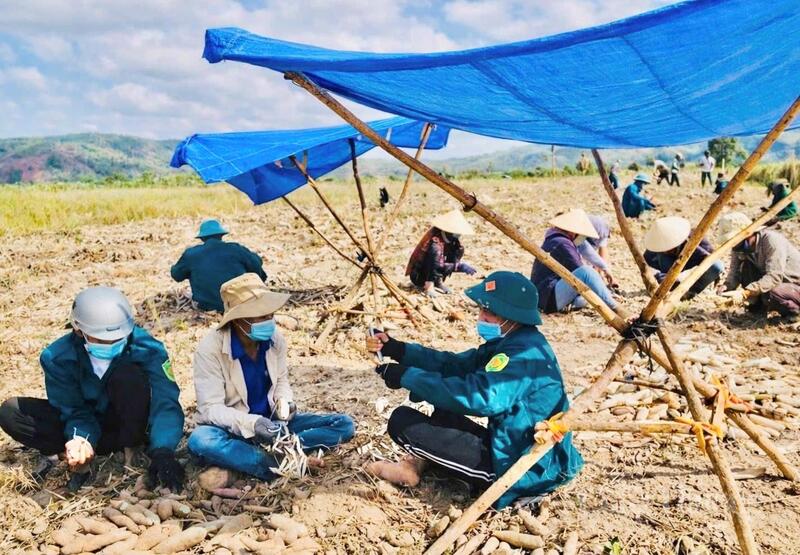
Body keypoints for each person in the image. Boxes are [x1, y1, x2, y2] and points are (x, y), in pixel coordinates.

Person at [364, 271, 583, 509]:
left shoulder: (523, 355)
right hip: (512, 442)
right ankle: (428, 461)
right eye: (481, 310)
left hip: (522, 469)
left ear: (511, 317)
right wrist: (399, 350)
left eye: (489, 312)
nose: (481, 317)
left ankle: (456, 471)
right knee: (442, 401)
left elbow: (480, 398)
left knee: (401, 422)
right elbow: (454, 366)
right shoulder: (512, 342)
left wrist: (408, 377)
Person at [0, 287, 184, 491]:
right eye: (100, 340)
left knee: (127, 376)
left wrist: (163, 449)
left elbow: (165, 399)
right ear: (78, 330)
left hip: (131, 424)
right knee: (12, 412)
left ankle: (132, 446)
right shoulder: (56, 358)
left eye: (117, 339)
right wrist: (81, 438)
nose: (111, 344)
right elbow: (73, 409)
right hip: (90, 422)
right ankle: (82, 452)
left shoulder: (148, 348)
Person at [187, 273, 355, 481]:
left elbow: (281, 380)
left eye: (270, 315)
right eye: (262, 316)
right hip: (234, 428)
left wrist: (285, 402)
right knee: (200, 441)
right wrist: (253, 424)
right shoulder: (210, 349)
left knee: (343, 424)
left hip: (274, 426)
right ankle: (279, 463)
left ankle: (279, 451)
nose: (270, 321)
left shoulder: (274, 340)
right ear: (239, 319)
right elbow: (211, 408)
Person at [530, 209, 620, 314]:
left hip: (543, 296)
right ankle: (615, 308)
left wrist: (605, 269)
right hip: (548, 298)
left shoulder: (557, 239)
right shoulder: (563, 244)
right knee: (586, 272)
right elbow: (582, 273)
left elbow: (586, 250)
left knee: (586, 296)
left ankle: (598, 299)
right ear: (572, 231)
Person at [171, 219, 267, 313]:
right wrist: (260, 279)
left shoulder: (191, 254)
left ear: (202, 238)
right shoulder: (236, 249)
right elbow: (257, 263)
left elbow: (176, 275)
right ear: (221, 235)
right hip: (237, 302)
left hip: (206, 306)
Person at [717, 212, 800, 318]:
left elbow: (774, 277)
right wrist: (726, 287)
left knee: (772, 293)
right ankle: (757, 308)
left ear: (747, 234)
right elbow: (735, 272)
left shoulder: (771, 241)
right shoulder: (739, 248)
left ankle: (795, 313)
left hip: (794, 285)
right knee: (746, 268)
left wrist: (745, 293)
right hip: (779, 284)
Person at [643, 216, 723, 300]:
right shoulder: (655, 251)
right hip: (671, 274)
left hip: (693, 270)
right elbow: (649, 269)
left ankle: (691, 292)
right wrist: (660, 278)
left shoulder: (694, 239)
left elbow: (710, 260)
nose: (665, 250)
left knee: (716, 266)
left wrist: (683, 276)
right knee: (663, 261)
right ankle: (671, 289)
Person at [406, 210, 477, 297]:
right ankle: (429, 285)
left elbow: (450, 259)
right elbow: (438, 265)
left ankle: (438, 282)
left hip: (435, 272)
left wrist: (456, 261)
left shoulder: (452, 242)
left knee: (458, 250)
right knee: (435, 256)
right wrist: (459, 267)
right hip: (419, 275)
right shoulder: (435, 242)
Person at [577, 214, 616, 286]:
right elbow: (586, 251)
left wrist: (603, 270)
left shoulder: (601, 228)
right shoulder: (578, 238)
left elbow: (602, 249)